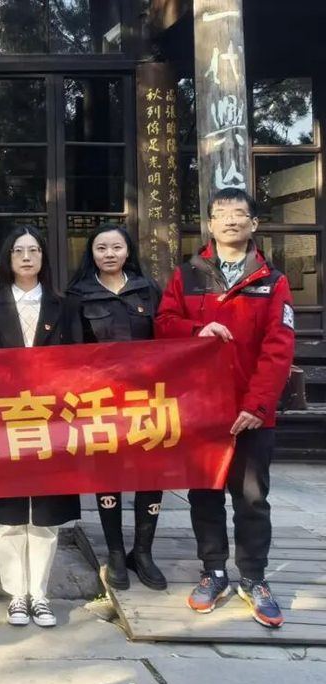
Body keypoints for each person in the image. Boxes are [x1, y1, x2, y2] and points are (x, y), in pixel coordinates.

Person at [156, 187, 295, 628]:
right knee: (205, 494)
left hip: (251, 413)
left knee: (252, 498)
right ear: (210, 224)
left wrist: (257, 405)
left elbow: (279, 348)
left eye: (239, 213)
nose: (230, 220)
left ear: (254, 223)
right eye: (221, 214)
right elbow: (163, 325)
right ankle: (213, 571)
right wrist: (196, 329)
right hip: (201, 410)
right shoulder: (187, 275)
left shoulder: (272, 281)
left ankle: (254, 577)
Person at [0, 226, 80, 628]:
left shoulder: (64, 306)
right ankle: (16, 595)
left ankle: (39, 593)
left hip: (52, 419)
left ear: (43, 257)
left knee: (45, 515)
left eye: (33, 250)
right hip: (5, 419)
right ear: (7, 259)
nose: (26, 257)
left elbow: (79, 362)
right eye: (18, 250)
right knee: (9, 515)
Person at [66, 223, 167, 592]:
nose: (109, 254)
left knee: (151, 474)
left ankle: (143, 551)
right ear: (91, 253)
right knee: (108, 474)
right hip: (101, 402)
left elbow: (167, 339)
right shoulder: (78, 295)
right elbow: (70, 353)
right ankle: (115, 551)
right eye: (101, 248)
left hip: (147, 400)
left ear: (128, 251)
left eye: (116, 247)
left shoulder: (148, 289)